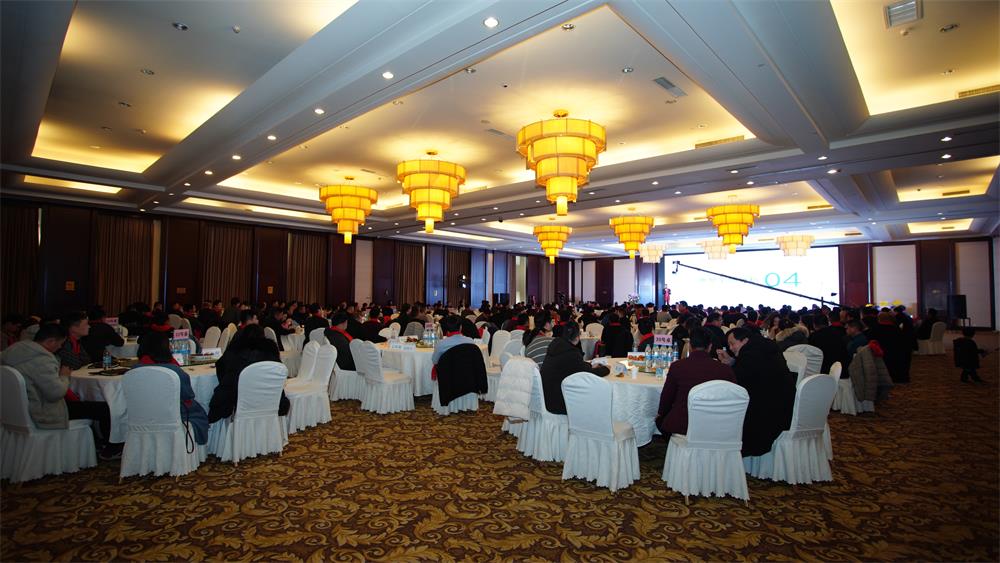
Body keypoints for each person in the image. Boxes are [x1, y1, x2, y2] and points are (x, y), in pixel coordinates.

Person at [1, 323, 122, 459]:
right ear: (50, 341)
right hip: (44, 411)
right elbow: (56, 393)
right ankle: (111, 449)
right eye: (60, 344)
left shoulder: (11, 353)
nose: (60, 347)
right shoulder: (42, 360)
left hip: (16, 412)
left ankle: (97, 443)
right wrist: (64, 376)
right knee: (105, 408)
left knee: (89, 406)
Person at [717, 327, 795, 457]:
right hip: (785, 406)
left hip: (769, 413)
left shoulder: (751, 354)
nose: (730, 348)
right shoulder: (765, 347)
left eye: (732, 343)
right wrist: (732, 362)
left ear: (745, 340)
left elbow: (739, 380)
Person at [655, 327, 737, 438]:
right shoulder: (725, 370)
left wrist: (660, 413)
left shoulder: (677, 366)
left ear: (690, 346)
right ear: (710, 346)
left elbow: (666, 398)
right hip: (716, 424)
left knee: (662, 419)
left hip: (683, 425)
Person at [135, 332, 208, 445]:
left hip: (142, 414)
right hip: (172, 414)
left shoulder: (135, 369)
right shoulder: (174, 370)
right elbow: (187, 394)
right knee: (199, 409)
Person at [208, 324, 289, 423]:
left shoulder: (234, 352)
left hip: (240, 402)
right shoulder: (271, 353)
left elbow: (221, 370)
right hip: (270, 401)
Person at [540, 322, 610, 415]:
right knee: (595, 395)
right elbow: (589, 374)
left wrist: (590, 365)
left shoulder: (557, 346)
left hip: (547, 397)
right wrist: (606, 369)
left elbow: (577, 366)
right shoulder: (571, 353)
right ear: (577, 338)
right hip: (559, 403)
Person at [866, 311, 909, 383]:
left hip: (880, 354)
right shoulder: (896, 329)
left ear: (879, 319)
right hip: (895, 354)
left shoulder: (874, 329)